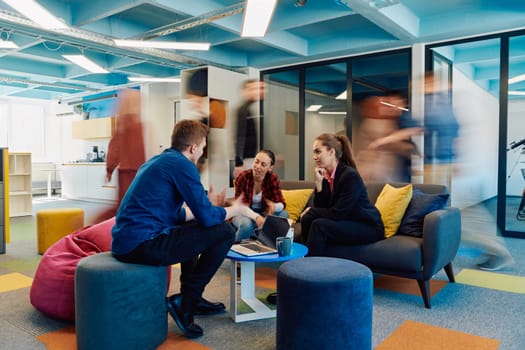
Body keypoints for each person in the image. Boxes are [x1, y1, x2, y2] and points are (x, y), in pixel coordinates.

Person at [111, 119, 257, 339]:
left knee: (193, 223)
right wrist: (237, 210)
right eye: (203, 147)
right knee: (225, 232)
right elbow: (208, 218)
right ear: (193, 148)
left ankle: (192, 299)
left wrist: (210, 209)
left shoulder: (160, 161)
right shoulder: (183, 165)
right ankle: (187, 301)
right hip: (141, 245)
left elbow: (176, 214)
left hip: (128, 242)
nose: (203, 152)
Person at [300, 133, 384, 256]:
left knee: (319, 225)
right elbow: (322, 208)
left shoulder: (350, 176)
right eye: (314, 152)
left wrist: (311, 211)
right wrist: (319, 184)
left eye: (318, 152)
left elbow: (338, 213)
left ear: (331, 152)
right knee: (308, 218)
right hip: (347, 221)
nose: (314, 157)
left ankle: (310, 268)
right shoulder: (325, 175)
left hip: (368, 227)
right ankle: (305, 259)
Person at [94, 89, 146, 222]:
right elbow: (115, 147)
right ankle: (97, 224)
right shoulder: (126, 123)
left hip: (137, 171)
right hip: (128, 172)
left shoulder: (137, 123)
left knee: (130, 204)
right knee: (124, 205)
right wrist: (109, 169)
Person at [232, 149, 288, 242]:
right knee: (247, 225)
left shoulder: (272, 178)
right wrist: (257, 218)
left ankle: (267, 244)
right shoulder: (243, 177)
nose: (257, 166)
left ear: (270, 168)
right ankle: (234, 250)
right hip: (242, 212)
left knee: (283, 214)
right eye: (256, 162)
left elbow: (281, 203)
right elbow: (241, 206)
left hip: (263, 212)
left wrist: (274, 206)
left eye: (263, 164)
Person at [233, 79, 266, 178]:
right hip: (247, 161)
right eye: (254, 89)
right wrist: (239, 163)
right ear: (246, 91)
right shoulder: (242, 110)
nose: (259, 91)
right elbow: (239, 137)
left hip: (254, 159)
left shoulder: (252, 110)